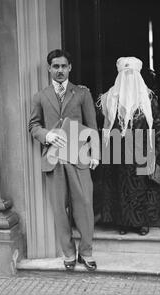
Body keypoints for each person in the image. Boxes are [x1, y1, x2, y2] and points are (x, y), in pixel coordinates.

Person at [29, 49, 100, 271]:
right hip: (53, 157)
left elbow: (92, 125)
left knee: (85, 205)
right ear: (49, 68)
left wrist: (95, 152)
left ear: (70, 68)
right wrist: (46, 135)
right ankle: (68, 253)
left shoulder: (81, 93)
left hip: (79, 157)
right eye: (55, 66)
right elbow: (33, 125)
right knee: (60, 208)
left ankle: (86, 252)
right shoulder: (40, 96)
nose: (60, 70)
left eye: (63, 66)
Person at [94, 57, 160, 236]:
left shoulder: (148, 99)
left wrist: (157, 151)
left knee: (141, 187)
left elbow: (159, 126)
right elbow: (98, 126)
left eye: (132, 74)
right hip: (117, 149)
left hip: (142, 148)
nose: (128, 79)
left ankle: (141, 222)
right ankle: (122, 222)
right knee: (120, 186)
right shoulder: (107, 99)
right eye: (125, 75)